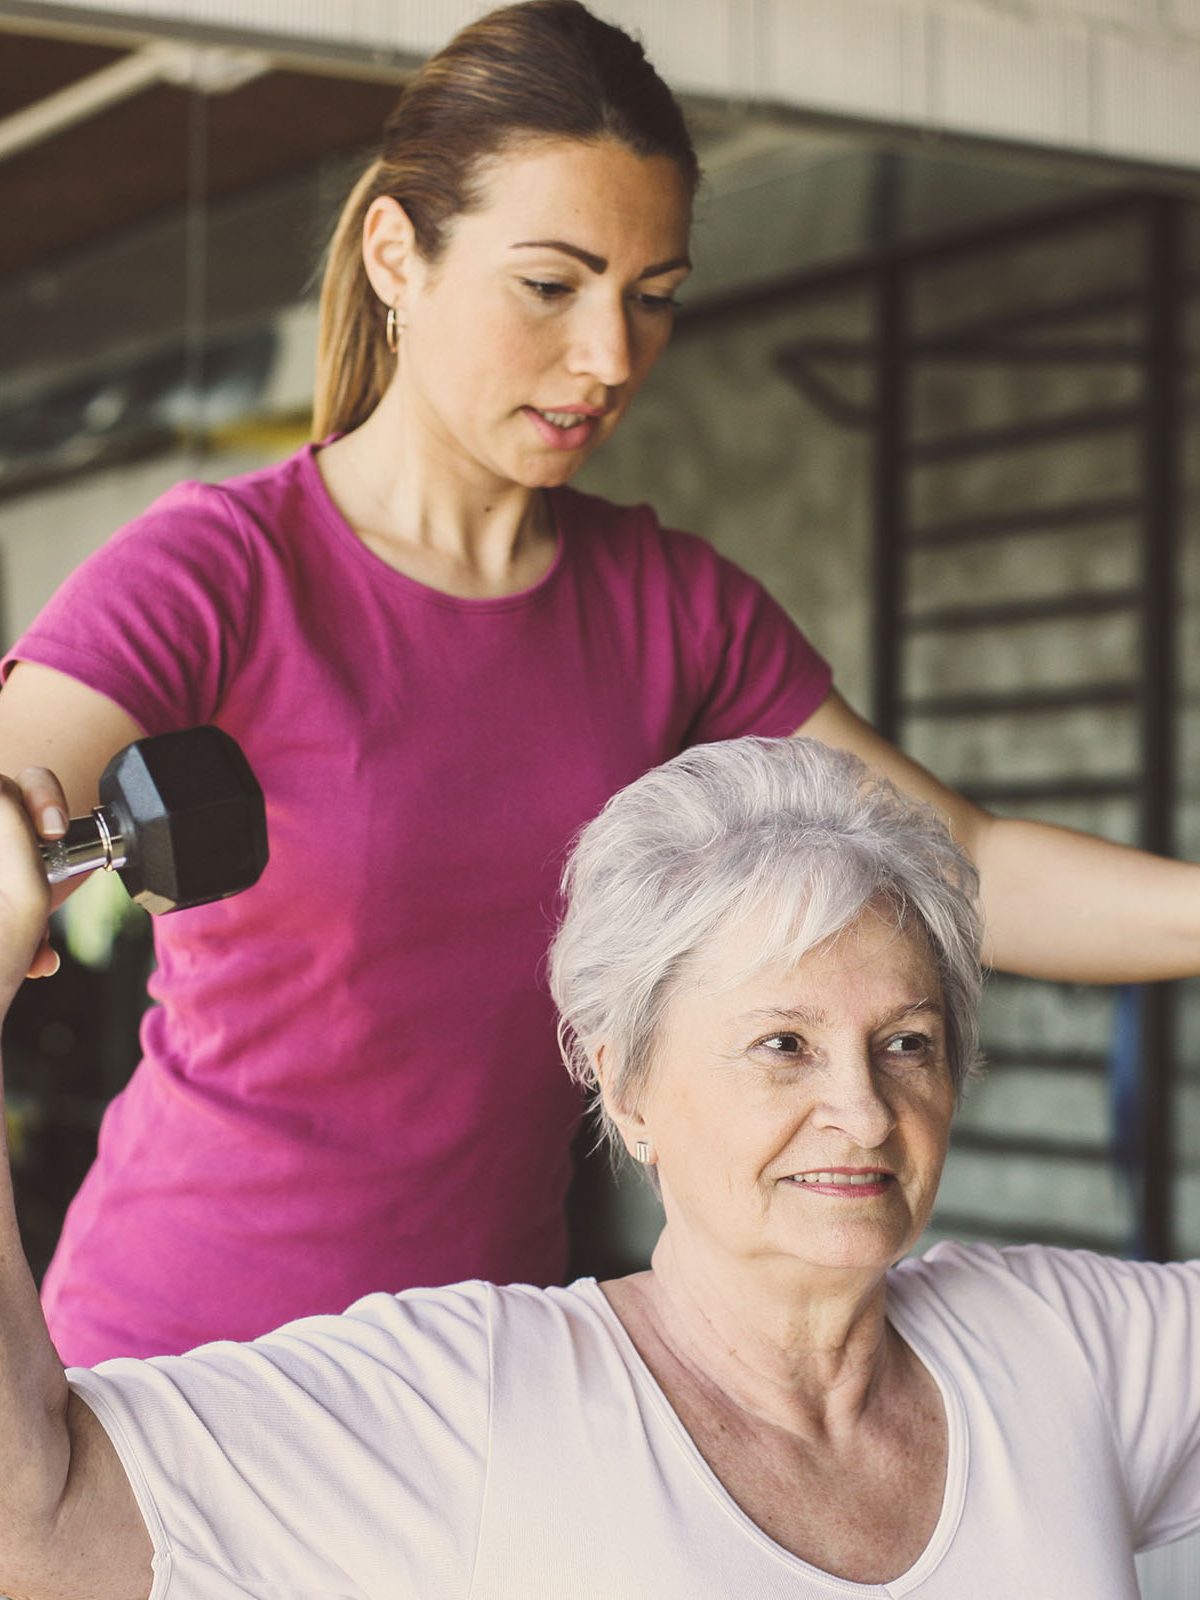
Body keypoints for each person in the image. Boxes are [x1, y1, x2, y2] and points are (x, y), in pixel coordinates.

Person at [4, 0, 1200, 1367]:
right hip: (184, 1366)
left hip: (492, 1369)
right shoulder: (221, 570)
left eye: (652, 298)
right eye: (551, 286)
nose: (611, 360)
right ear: (399, 253)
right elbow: (20, 778)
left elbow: (967, 862)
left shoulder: (666, 605)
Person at [0, 735, 1195, 1600]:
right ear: (627, 1089)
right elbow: (32, 1527)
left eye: (907, 1045)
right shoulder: (476, 1403)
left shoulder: (1062, 1344)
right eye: (784, 1044)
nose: (865, 1113)